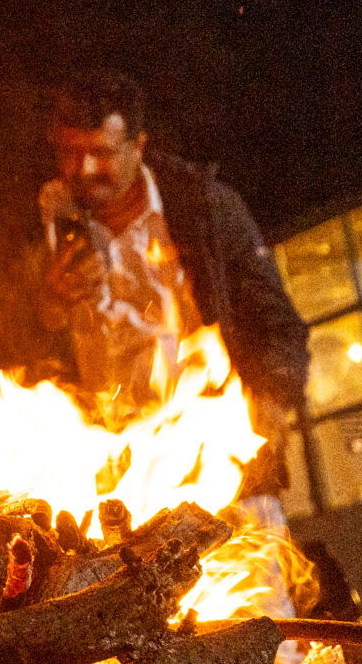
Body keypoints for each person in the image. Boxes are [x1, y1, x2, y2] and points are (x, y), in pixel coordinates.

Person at [36, 68, 310, 511]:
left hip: (220, 465)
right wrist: (48, 304)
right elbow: (6, 354)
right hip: (110, 484)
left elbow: (276, 322)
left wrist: (271, 399)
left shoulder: (203, 210)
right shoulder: (42, 222)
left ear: (138, 146)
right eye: (70, 152)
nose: (83, 169)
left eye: (101, 153)